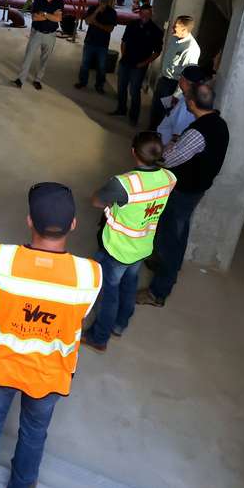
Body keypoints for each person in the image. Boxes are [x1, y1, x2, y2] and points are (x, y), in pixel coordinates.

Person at [0, 183, 102, 488]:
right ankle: (21, 485)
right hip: (50, 373)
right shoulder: (90, 275)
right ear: (74, 225)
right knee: (34, 432)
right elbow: (82, 311)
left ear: (29, 221)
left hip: (1, 364)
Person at [137, 82, 229, 307]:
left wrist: (157, 152)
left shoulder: (198, 132)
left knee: (169, 237)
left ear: (191, 103)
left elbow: (170, 159)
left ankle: (158, 292)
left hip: (183, 191)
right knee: (179, 230)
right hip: (196, 189)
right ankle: (169, 266)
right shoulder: (219, 123)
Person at [83, 132, 174, 353]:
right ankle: (120, 325)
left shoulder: (124, 183)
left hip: (117, 247)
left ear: (133, 152)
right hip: (142, 244)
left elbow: (96, 201)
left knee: (109, 292)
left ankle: (99, 336)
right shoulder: (170, 178)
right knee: (130, 283)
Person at [110, 4, 163, 126]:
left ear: (151, 14)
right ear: (139, 14)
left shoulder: (156, 31)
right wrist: (123, 55)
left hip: (139, 66)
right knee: (121, 87)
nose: (144, 16)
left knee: (134, 91)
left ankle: (133, 117)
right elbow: (124, 41)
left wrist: (144, 63)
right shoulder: (132, 24)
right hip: (125, 62)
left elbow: (157, 52)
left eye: (147, 14)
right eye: (142, 14)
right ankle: (121, 109)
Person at [147, 16, 201, 131]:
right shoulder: (175, 39)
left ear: (184, 30)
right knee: (155, 110)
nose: (172, 28)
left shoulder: (190, 49)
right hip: (164, 81)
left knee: (164, 115)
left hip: (173, 85)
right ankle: (150, 133)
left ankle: (157, 138)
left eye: (175, 26)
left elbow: (186, 77)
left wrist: (176, 96)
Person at [13, 0, 63, 90]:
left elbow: (58, 18)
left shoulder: (59, 2)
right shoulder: (38, 0)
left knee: (44, 59)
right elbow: (35, 18)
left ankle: (37, 80)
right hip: (37, 33)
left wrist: (44, 14)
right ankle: (20, 80)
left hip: (51, 35)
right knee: (28, 56)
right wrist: (51, 16)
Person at [73, 0, 117, 93]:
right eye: (101, 1)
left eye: (105, 2)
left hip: (103, 44)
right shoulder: (93, 8)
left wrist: (96, 24)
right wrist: (96, 12)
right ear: (98, 0)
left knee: (101, 67)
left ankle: (99, 85)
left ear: (108, 2)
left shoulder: (112, 12)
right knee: (85, 64)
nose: (103, 3)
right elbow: (88, 21)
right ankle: (82, 82)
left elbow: (110, 29)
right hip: (90, 41)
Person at [155, 64, 208, 145]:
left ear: (185, 81)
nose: (179, 80)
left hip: (164, 145)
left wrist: (167, 154)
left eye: (181, 77)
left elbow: (177, 136)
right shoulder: (186, 95)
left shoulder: (188, 106)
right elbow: (171, 105)